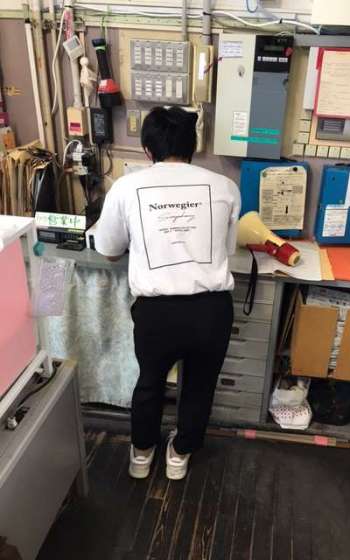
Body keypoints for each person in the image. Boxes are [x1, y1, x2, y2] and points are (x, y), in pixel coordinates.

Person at [95, 106, 241, 480]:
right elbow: (227, 250)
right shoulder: (226, 187)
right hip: (211, 310)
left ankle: (142, 455)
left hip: (157, 314)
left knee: (150, 383)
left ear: (148, 150)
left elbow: (108, 250)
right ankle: (179, 455)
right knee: (199, 387)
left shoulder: (126, 187)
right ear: (192, 146)